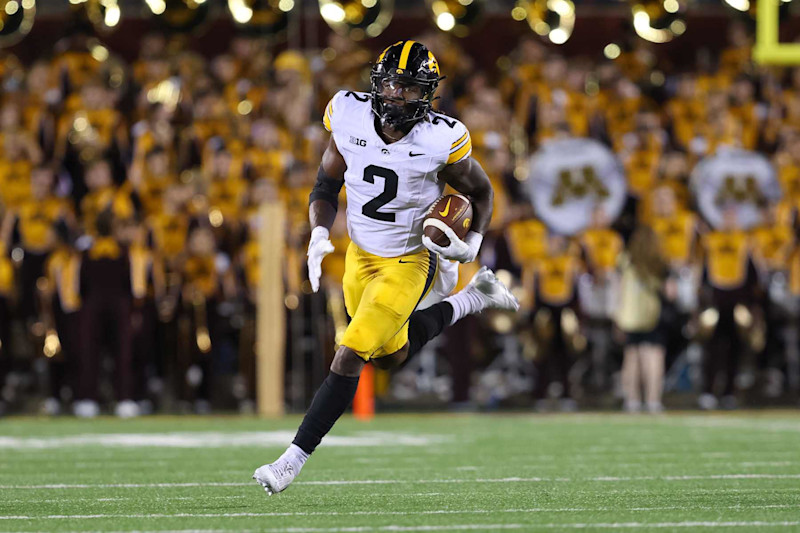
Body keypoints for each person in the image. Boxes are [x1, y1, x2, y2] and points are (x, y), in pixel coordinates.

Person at [253, 41, 519, 495]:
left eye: (410, 88)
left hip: (410, 261)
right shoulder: (348, 113)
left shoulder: (442, 137)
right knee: (390, 358)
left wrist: (471, 242)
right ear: (376, 84)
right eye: (392, 84)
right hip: (359, 254)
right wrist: (318, 234)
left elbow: (483, 191)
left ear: (427, 94)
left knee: (350, 352)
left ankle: (291, 460)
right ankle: (473, 298)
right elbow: (325, 182)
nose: (397, 95)